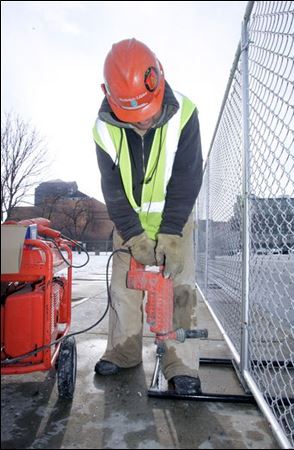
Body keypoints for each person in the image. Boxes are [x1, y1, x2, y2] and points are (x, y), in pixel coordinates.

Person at [93, 38, 203, 395]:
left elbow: (188, 176)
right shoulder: (103, 129)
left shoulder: (185, 114)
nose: (145, 121)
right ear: (111, 98)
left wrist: (170, 235)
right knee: (124, 288)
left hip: (175, 220)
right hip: (130, 227)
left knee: (180, 290)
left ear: (159, 78)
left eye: (150, 114)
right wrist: (134, 235)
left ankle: (180, 363)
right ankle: (124, 350)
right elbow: (112, 189)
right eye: (135, 117)